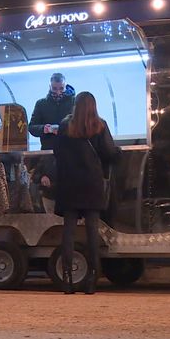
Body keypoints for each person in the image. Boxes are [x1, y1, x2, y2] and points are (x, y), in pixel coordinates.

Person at [54, 92, 119, 295]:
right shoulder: (99, 125)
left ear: (75, 105)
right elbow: (109, 152)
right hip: (91, 184)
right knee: (92, 233)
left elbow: (57, 152)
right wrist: (119, 153)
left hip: (69, 184)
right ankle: (91, 280)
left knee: (69, 233)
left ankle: (67, 280)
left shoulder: (65, 126)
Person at [28, 73, 75, 151]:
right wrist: (44, 129)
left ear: (65, 86)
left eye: (61, 88)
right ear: (50, 87)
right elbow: (32, 128)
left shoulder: (75, 102)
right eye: (54, 88)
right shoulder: (41, 103)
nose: (58, 92)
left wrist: (65, 129)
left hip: (71, 149)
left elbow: (81, 125)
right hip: (49, 150)